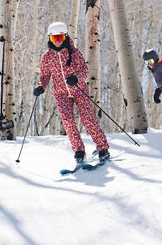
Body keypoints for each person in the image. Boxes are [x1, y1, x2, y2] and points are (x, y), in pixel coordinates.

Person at [34, 21, 109, 164]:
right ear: (49, 39)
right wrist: (41, 87)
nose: (57, 42)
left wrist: (77, 78)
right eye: (53, 38)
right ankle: (79, 151)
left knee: (87, 120)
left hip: (79, 90)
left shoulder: (74, 53)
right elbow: (44, 76)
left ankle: (102, 148)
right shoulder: (47, 57)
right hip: (61, 93)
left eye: (60, 38)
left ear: (66, 37)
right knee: (68, 122)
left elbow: (84, 70)